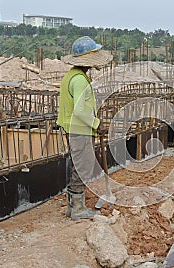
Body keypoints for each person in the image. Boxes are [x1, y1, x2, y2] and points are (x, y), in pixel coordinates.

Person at [57, 36, 112, 220]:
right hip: (79, 129)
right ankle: (78, 209)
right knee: (83, 167)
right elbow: (80, 110)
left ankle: (72, 207)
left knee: (77, 165)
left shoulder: (73, 75)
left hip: (77, 128)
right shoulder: (79, 81)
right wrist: (97, 124)